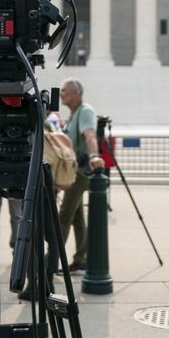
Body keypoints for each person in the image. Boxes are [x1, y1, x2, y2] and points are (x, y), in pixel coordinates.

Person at [56, 78, 105, 274]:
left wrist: (94, 155)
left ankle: (51, 258)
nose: (61, 94)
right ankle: (81, 259)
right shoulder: (74, 113)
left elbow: (90, 135)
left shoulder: (85, 111)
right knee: (76, 217)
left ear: (77, 93)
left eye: (64, 91)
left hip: (80, 173)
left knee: (64, 215)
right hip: (73, 171)